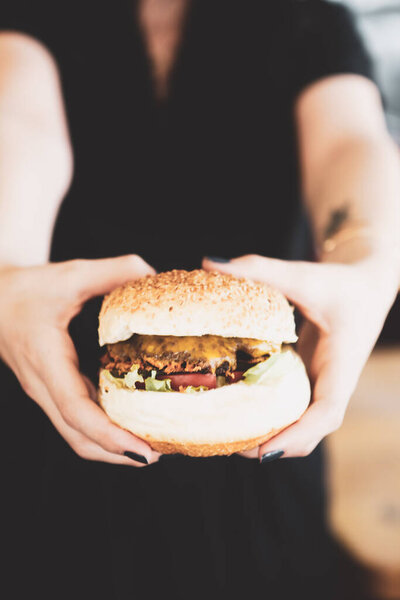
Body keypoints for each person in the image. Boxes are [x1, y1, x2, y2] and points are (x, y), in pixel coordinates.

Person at [0, 1, 399, 598]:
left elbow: (350, 143)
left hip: (266, 459)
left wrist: (368, 260)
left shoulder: (307, 17)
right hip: (53, 394)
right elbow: (20, 129)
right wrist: (7, 265)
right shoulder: (33, 11)